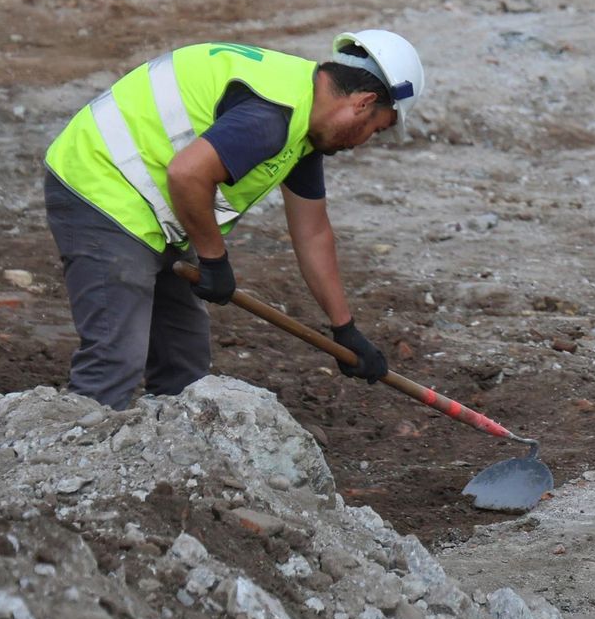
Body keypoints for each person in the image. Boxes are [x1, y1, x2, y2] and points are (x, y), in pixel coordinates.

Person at [43, 31, 426, 409]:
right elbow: (187, 173)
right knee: (116, 358)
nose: (361, 143)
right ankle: (65, 458)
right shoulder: (273, 114)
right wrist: (213, 258)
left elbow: (312, 231)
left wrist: (345, 329)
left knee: (184, 364)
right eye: (375, 130)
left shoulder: (305, 122)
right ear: (363, 103)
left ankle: (171, 461)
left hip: (152, 210)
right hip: (101, 189)